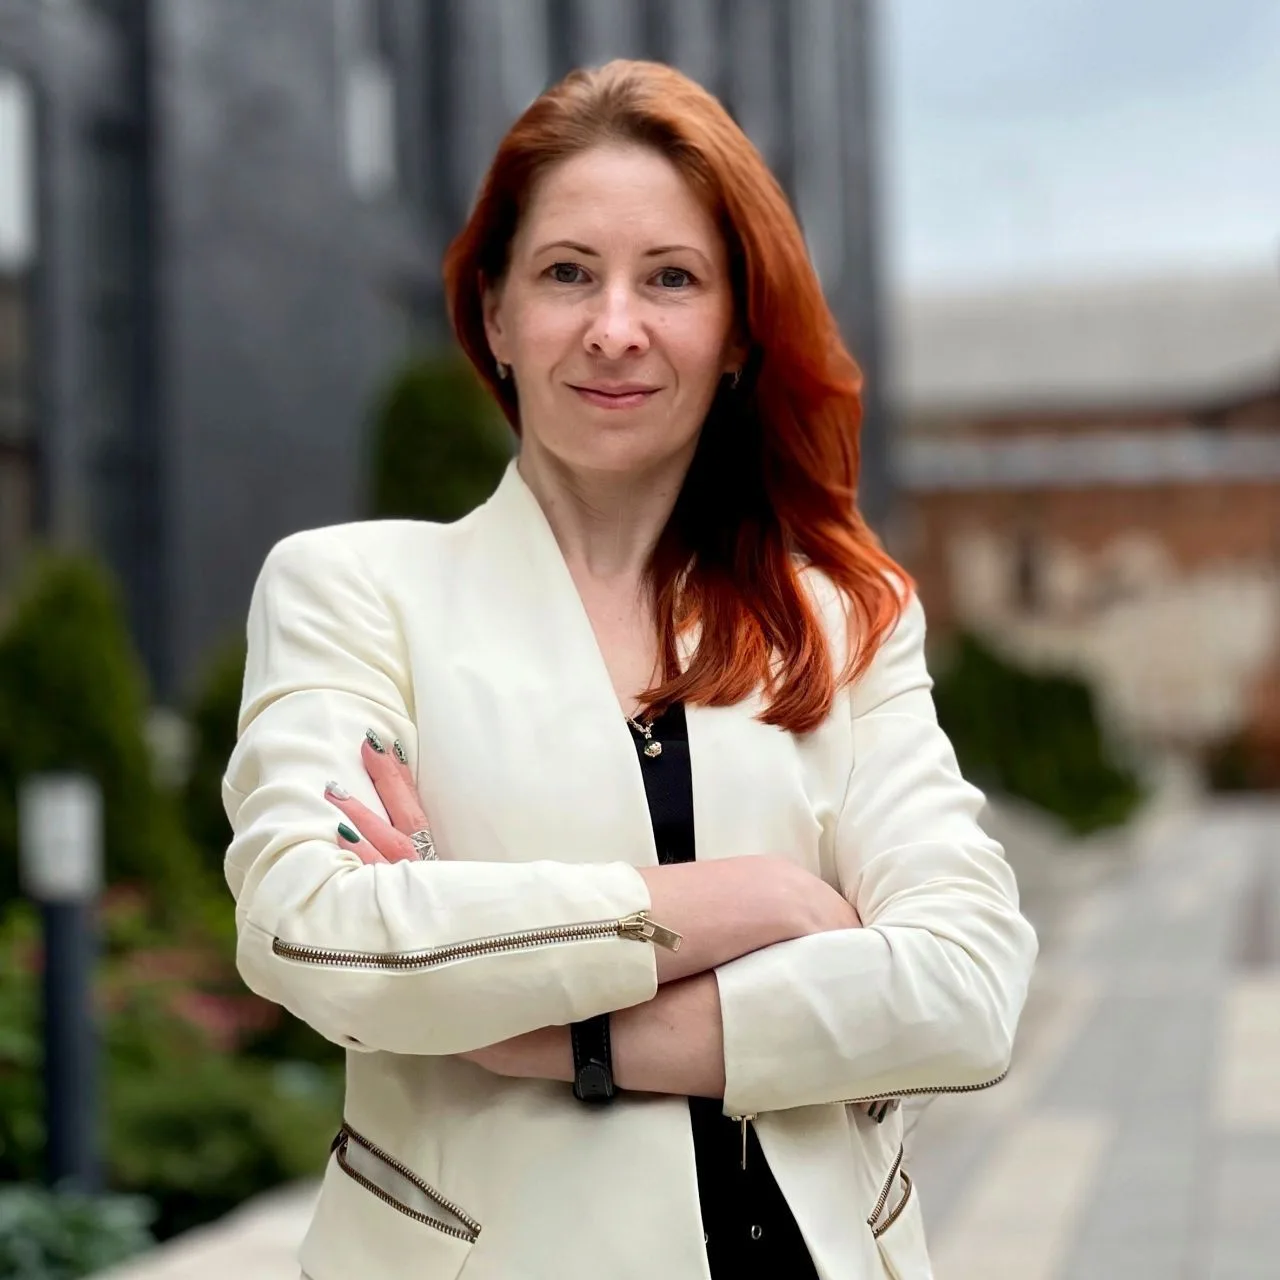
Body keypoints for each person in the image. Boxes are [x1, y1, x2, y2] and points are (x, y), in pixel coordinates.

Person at [223, 58, 1037, 1280]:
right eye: (566, 273)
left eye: (670, 277)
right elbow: (313, 928)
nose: (614, 327)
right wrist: (752, 901)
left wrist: (561, 1033)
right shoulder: (353, 591)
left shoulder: (843, 620)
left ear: (737, 332)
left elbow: (965, 985)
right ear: (495, 314)